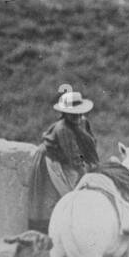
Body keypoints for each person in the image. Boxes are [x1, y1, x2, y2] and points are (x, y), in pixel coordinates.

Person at [26, 88, 100, 233]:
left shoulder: (83, 122)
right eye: (72, 114)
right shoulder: (62, 129)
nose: (77, 116)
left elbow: (90, 142)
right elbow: (74, 157)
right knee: (60, 194)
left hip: (69, 158)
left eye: (79, 112)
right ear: (64, 114)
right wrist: (86, 174)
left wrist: (93, 165)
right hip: (52, 159)